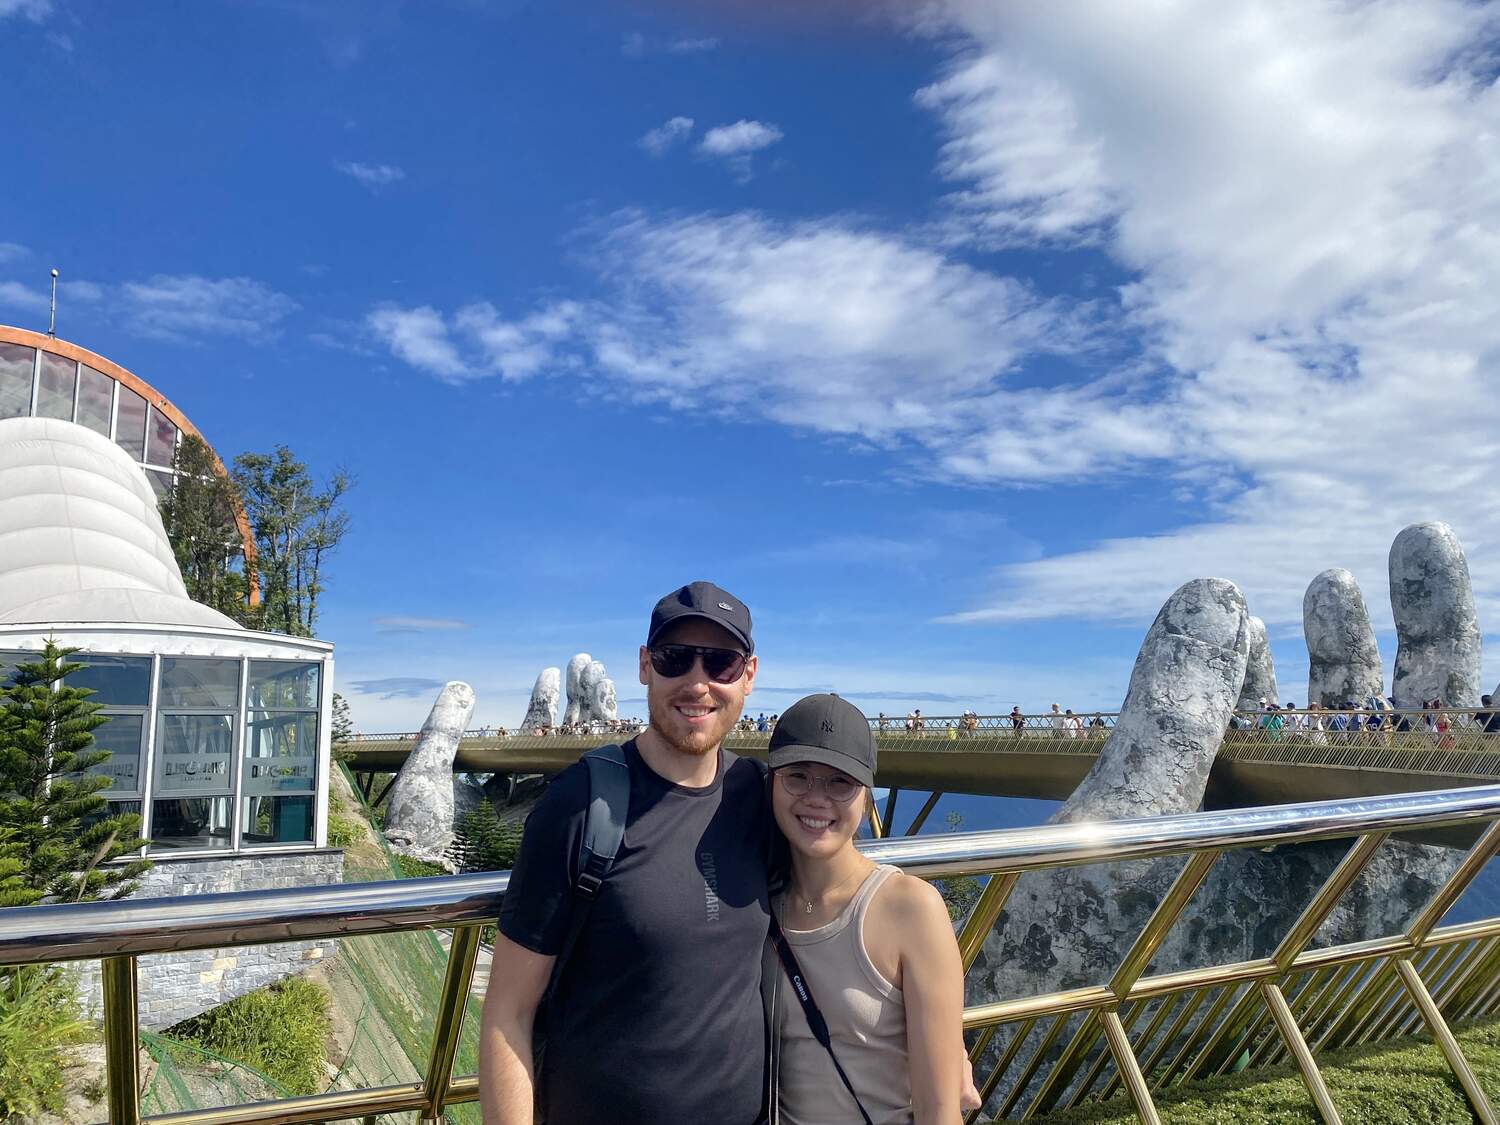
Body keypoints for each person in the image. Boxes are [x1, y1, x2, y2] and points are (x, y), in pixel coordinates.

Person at [480, 581, 769, 1125]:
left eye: (721, 663)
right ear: (644, 666)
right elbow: (508, 1013)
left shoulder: (759, 794)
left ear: (748, 675)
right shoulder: (578, 806)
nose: (698, 683)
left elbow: (839, 900)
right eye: (675, 659)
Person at [765, 693, 964, 1124]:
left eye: (840, 782)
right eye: (798, 776)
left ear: (868, 798)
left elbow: (940, 1110)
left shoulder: (909, 908)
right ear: (771, 784)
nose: (817, 799)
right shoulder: (755, 904)